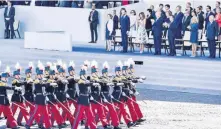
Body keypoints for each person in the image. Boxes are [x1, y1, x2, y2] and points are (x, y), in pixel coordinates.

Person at [72, 64, 97, 129]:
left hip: (87, 100)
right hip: (82, 101)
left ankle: (93, 127)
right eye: (84, 75)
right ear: (81, 75)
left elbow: (88, 89)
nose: (85, 76)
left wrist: (90, 96)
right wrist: (92, 83)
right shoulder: (81, 81)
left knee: (91, 116)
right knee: (78, 117)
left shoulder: (86, 80)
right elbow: (86, 83)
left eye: (85, 75)